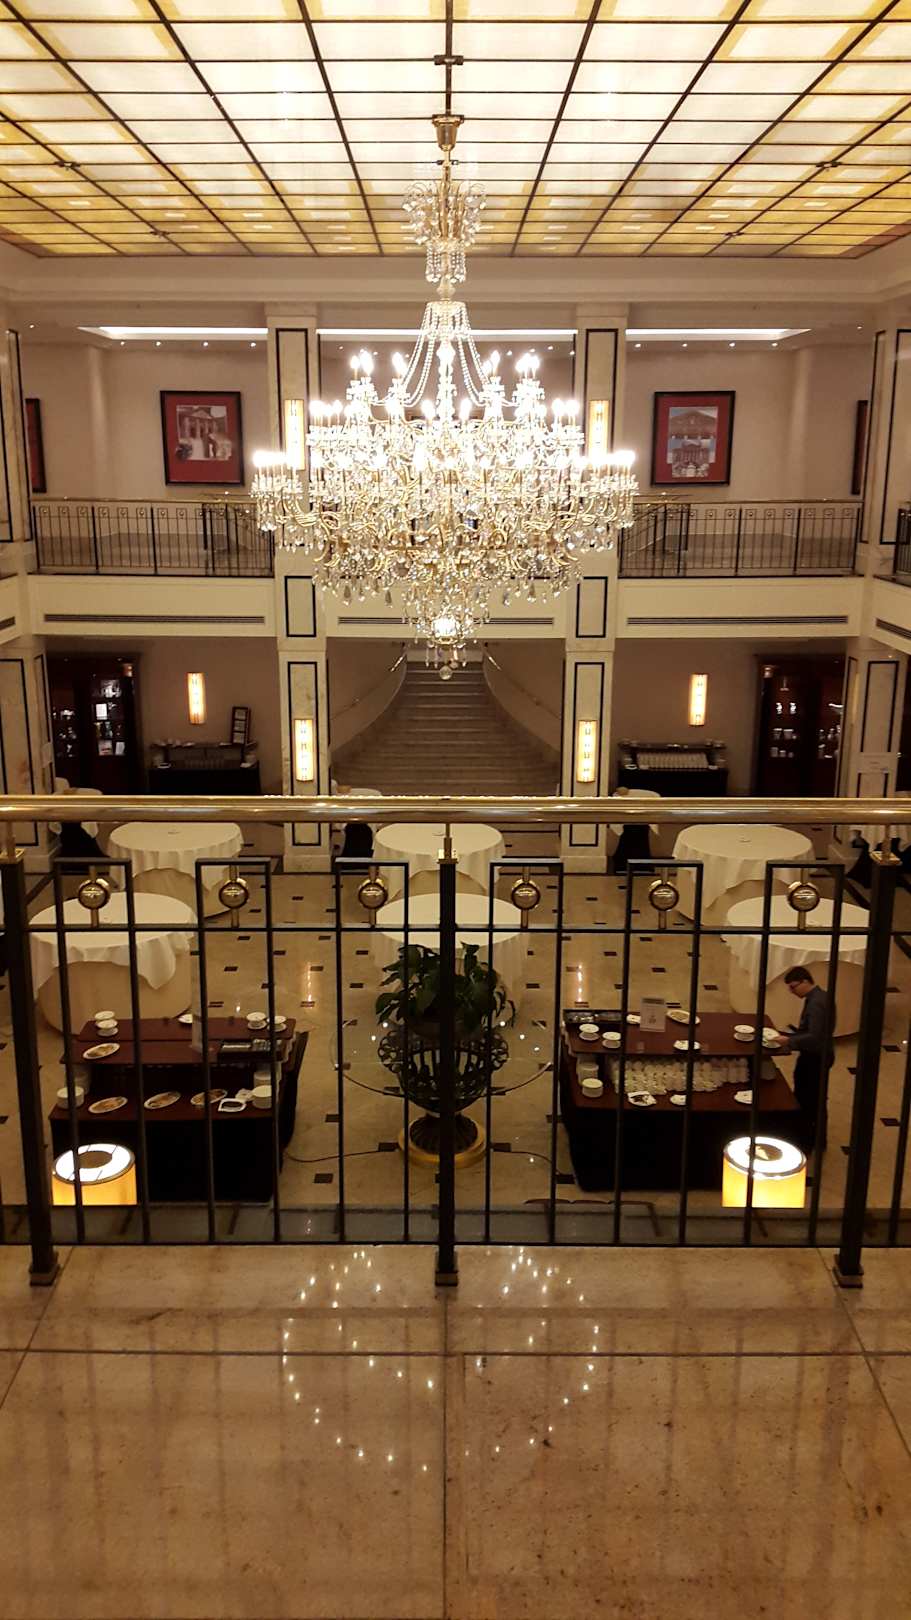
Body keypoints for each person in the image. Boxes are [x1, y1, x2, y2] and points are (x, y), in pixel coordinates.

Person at [770, 966, 835, 1153]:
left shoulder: (815, 1004)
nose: (792, 991)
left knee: (807, 1099)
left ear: (805, 981)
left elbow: (814, 1036)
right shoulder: (822, 996)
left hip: (815, 1057)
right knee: (816, 1098)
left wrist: (789, 1041)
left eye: (793, 987)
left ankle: (806, 1141)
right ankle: (818, 1139)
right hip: (822, 1054)